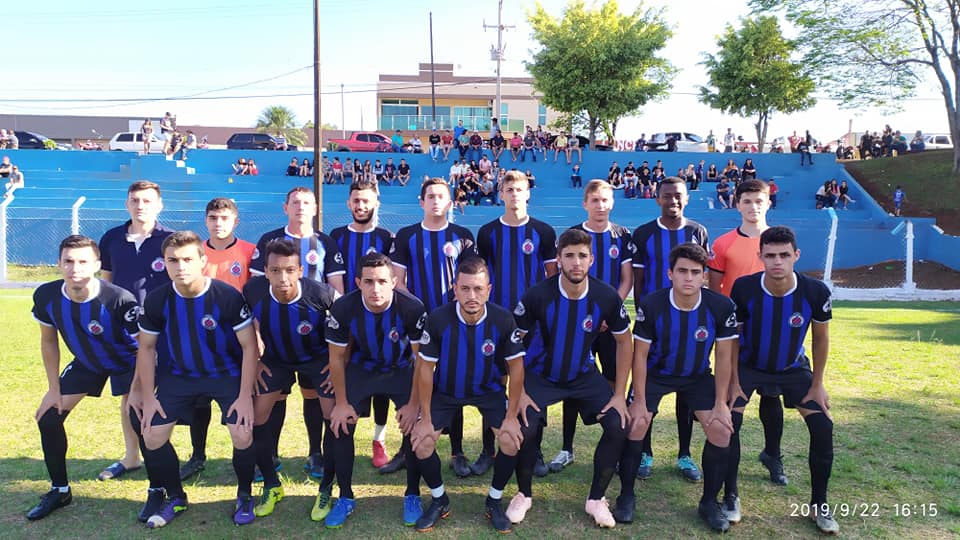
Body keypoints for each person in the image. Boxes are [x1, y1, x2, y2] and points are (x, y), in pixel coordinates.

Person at [128, 231, 258, 528]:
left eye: (188, 259)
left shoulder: (227, 296)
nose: (180, 266)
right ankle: (176, 496)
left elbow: (250, 347)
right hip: (179, 377)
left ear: (202, 260)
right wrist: (147, 396)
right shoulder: (158, 300)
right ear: (164, 263)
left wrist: (243, 396)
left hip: (225, 374)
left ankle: (244, 494)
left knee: (242, 433)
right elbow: (146, 349)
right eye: (173, 260)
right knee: (152, 434)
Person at [511, 228, 634, 528]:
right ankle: (523, 494)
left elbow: (624, 341)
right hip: (542, 375)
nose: (576, 262)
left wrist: (619, 394)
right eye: (569, 256)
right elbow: (514, 345)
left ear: (591, 259)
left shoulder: (605, 296)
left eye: (582, 256)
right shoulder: (538, 295)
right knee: (524, 429)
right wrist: (519, 392)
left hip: (583, 375)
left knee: (618, 425)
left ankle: (596, 499)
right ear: (559, 259)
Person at [727, 226, 839, 535]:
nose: (777, 261)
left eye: (784, 255)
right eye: (771, 255)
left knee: (823, 427)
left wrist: (817, 384)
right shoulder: (744, 288)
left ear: (796, 256)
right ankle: (730, 496)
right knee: (728, 424)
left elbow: (820, 339)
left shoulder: (815, 292)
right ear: (760, 256)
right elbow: (733, 339)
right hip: (750, 367)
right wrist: (733, 380)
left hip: (793, 369)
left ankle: (819, 505)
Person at [26, 235, 142, 521]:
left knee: (141, 417)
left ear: (96, 265)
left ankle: (158, 490)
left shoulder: (118, 298)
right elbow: (48, 342)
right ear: (59, 263)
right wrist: (53, 389)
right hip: (88, 363)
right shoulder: (46, 296)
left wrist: (140, 390)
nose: (75, 268)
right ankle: (60, 490)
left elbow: (145, 348)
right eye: (68, 261)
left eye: (82, 262)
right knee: (48, 417)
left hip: (130, 362)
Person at [409, 257, 527, 533]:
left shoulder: (502, 319)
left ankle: (494, 501)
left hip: (488, 391)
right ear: (454, 289)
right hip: (447, 391)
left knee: (511, 440)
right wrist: (425, 417)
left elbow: (517, 369)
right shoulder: (438, 319)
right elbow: (425, 370)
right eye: (465, 289)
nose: (471, 296)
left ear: (489, 289)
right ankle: (440, 501)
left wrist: (511, 417)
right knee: (422, 441)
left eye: (478, 288)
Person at [631, 243, 738, 531]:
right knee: (635, 423)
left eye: (695, 272)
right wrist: (639, 400)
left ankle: (709, 502)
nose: (688, 278)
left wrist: (720, 403)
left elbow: (725, 357)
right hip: (657, 374)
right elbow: (639, 357)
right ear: (670, 274)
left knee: (721, 429)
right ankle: (626, 495)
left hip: (697, 376)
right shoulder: (652, 304)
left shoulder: (720, 306)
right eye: (682, 271)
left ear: (704, 275)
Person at [325, 253, 427, 528]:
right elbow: (336, 358)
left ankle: (413, 494)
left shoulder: (412, 308)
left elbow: (421, 361)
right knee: (340, 424)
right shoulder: (343, 308)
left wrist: (415, 405)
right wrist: (342, 402)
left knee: (415, 425)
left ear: (394, 281)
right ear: (358, 282)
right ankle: (345, 496)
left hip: (401, 368)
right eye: (368, 282)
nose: (376, 288)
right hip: (363, 367)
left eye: (382, 281)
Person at [250, 187, 346, 479]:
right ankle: (269, 455)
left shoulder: (326, 242)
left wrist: (336, 359)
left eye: (306, 202)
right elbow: (254, 302)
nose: (300, 207)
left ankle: (316, 454)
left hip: (314, 339)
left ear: (316, 208)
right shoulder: (268, 240)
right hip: (277, 342)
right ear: (285, 207)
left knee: (314, 397)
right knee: (273, 399)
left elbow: (338, 296)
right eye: (295, 202)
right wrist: (257, 354)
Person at [242, 238, 339, 521]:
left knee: (333, 418)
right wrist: (257, 360)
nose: (282, 278)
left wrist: (337, 366)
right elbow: (246, 328)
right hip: (276, 360)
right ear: (266, 270)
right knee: (256, 418)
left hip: (318, 360)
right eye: (275, 271)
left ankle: (325, 488)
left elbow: (347, 326)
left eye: (289, 270)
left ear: (299, 270)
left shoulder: (322, 293)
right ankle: (272, 485)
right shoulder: (252, 291)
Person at [392, 177, 478, 476]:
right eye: (430, 196)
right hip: (416, 324)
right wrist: (415, 311)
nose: (436, 201)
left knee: (451, 384)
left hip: (453, 324)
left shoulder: (463, 236)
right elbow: (398, 282)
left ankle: (457, 451)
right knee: (413, 381)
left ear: (450, 202)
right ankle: (406, 449)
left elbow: (470, 281)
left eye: (441, 196)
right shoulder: (406, 236)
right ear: (421, 202)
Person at [549, 180, 635, 475]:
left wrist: (608, 312)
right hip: (575, 323)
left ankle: (612, 443)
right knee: (572, 382)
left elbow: (626, 280)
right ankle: (566, 448)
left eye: (605, 200)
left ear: (613, 203)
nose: (601, 206)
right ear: (585, 203)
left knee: (613, 381)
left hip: (609, 324)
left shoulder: (622, 235)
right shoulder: (574, 235)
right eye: (595, 200)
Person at [707, 179, 789, 489]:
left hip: (773, 333)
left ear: (768, 203)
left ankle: (773, 454)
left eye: (759, 201)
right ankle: (728, 465)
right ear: (736, 204)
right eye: (747, 201)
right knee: (732, 400)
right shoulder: (723, 244)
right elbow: (715, 293)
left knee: (772, 394)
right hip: (736, 336)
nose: (753, 207)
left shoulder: (779, 243)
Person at [630, 176, 709, 482]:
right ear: (657, 198)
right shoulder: (644, 233)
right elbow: (638, 279)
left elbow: (705, 275)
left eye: (678, 196)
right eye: (667, 196)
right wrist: (641, 312)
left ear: (686, 198)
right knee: (648, 386)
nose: (673, 201)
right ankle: (646, 453)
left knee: (687, 387)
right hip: (655, 323)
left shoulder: (697, 231)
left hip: (691, 323)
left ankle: (685, 454)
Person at [96, 181, 172, 485]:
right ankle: (131, 457)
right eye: (135, 200)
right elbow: (105, 285)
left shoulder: (170, 240)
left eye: (147, 200)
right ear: (127, 204)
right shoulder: (112, 238)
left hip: (164, 330)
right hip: (125, 333)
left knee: (168, 393)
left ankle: (171, 455)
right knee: (129, 394)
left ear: (159, 205)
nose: (141, 205)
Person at [329, 180, 404, 473]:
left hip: (382, 321)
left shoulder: (387, 237)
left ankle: (378, 439)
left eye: (366, 201)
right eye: (356, 201)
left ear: (377, 203)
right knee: (347, 379)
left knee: (383, 383)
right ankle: (338, 441)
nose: (361, 206)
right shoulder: (336, 236)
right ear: (349, 203)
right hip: (348, 322)